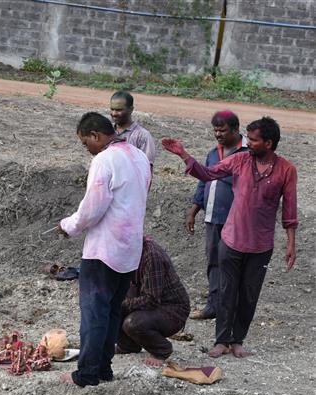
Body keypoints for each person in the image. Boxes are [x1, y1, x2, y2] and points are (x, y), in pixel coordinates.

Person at [162, 117, 298, 358]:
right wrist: (183, 155)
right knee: (226, 291)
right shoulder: (240, 160)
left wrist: (290, 244)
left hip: (261, 245)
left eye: (253, 140)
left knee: (248, 294)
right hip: (231, 240)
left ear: (268, 143)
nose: (248, 143)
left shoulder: (287, 170)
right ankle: (221, 340)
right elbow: (207, 174)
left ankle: (237, 340)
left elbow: (289, 211)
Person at [57, 112, 151, 387]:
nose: (86, 148)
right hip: (129, 249)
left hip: (104, 250)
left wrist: (68, 226)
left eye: (86, 142)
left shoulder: (104, 160)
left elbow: (92, 210)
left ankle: (86, 373)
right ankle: (103, 368)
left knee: (94, 312)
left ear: (96, 136)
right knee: (111, 311)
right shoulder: (138, 156)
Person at [186, 111, 247, 320]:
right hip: (213, 216)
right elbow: (203, 180)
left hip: (236, 220)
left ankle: (232, 307)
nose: (218, 134)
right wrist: (195, 208)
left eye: (223, 130)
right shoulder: (213, 153)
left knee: (232, 263)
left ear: (236, 130)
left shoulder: (248, 153)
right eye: (215, 130)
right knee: (213, 261)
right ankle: (213, 305)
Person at [117, 235, 190, 367]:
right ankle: (128, 345)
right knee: (110, 306)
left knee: (132, 322)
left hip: (172, 309)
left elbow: (151, 299)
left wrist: (122, 304)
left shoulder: (151, 256)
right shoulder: (128, 251)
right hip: (149, 300)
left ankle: (161, 350)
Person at [110, 90, 156, 170]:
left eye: (119, 110)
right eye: (112, 109)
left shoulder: (142, 136)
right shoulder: (107, 132)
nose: (114, 113)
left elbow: (147, 169)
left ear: (131, 110)